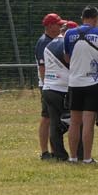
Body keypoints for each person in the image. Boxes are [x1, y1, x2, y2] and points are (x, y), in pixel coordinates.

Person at [61, 6, 98, 164]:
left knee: (74, 121)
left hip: (75, 82)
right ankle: (87, 158)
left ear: (82, 18)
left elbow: (66, 57)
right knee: (88, 121)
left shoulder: (69, 34)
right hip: (93, 81)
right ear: (95, 18)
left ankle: (72, 157)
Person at [35, 12, 69, 161]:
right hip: (48, 85)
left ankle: (54, 150)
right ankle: (45, 151)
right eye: (58, 24)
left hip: (50, 84)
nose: (61, 27)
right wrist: (45, 85)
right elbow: (43, 68)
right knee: (47, 118)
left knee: (53, 118)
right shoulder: (44, 42)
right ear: (49, 26)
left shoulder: (53, 40)